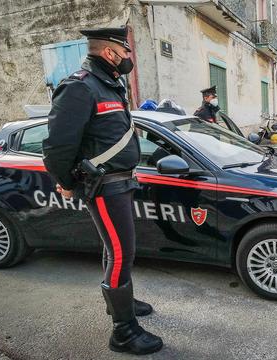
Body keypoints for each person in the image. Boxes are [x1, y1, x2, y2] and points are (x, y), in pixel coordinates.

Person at [42, 26, 163, 355]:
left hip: (121, 182)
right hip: (104, 186)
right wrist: (67, 182)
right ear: (109, 53)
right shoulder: (80, 88)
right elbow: (56, 147)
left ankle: (122, 303)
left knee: (117, 250)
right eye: (125, 52)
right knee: (122, 252)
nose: (128, 58)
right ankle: (123, 331)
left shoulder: (109, 85)